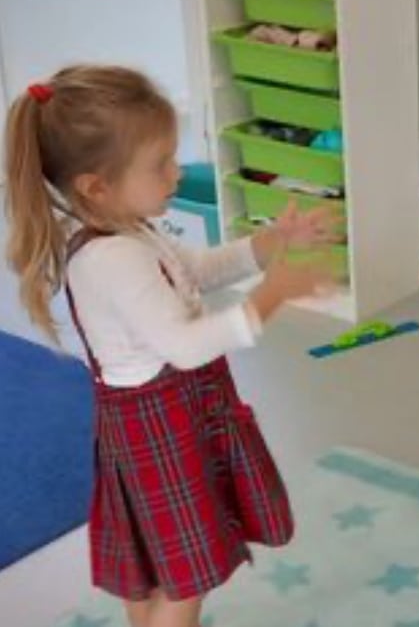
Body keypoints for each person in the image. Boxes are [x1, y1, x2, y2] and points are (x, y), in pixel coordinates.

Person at [4, 66, 338, 627]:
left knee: (157, 564)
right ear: (96, 185)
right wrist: (268, 299)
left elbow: (197, 271)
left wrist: (270, 244)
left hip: (153, 424)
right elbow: (184, 347)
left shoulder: (129, 230)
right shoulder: (113, 258)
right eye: (160, 164)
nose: (175, 171)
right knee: (190, 577)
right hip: (162, 425)